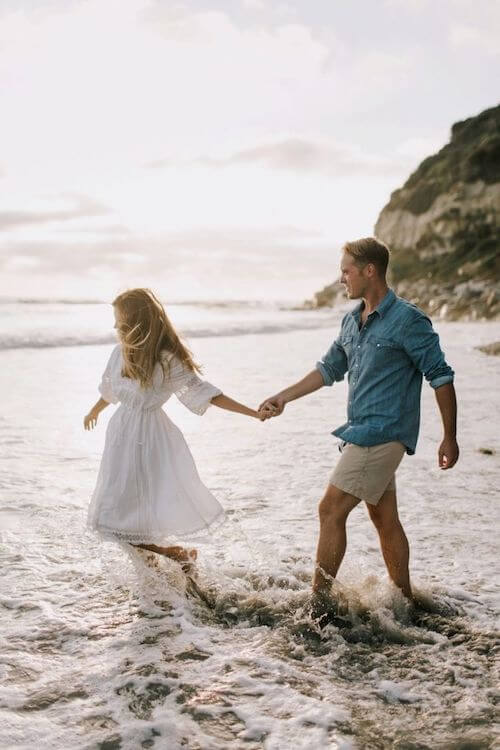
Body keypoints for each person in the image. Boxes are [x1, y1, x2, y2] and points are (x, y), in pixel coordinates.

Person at [259, 237, 458, 607]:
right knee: (384, 519)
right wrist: (283, 396)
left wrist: (450, 437)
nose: (341, 279)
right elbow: (328, 369)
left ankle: (319, 605)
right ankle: (405, 602)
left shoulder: (408, 321)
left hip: (384, 435)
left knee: (330, 509)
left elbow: (441, 376)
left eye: (346, 271)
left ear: (370, 271)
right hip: (360, 432)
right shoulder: (352, 320)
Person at [85, 288, 270, 571]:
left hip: (149, 438)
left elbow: (204, 393)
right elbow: (110, 390)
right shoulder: (118, 353)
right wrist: (95, 410)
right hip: (121, 435)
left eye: (119, 320)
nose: (114, 326)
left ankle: (173, 554)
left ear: (136, 321)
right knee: (120, 510)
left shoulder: (167, 359)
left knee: (122, 516)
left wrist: (253, 413)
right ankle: (157, 571)